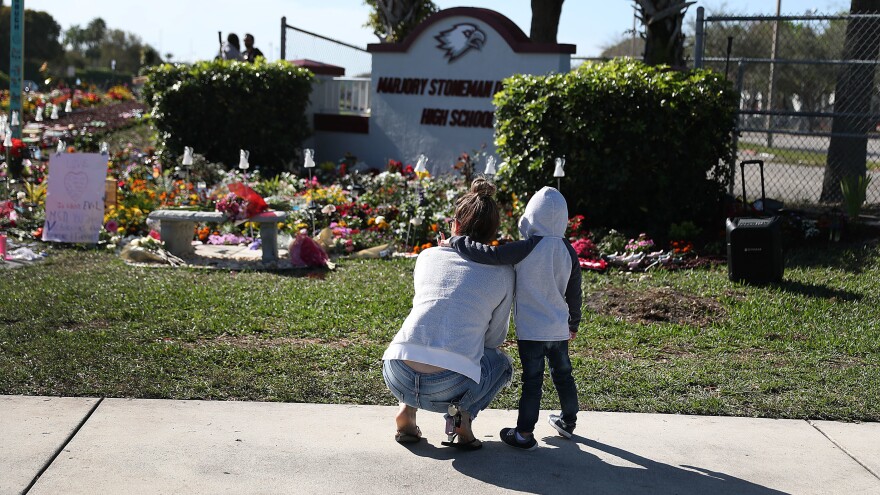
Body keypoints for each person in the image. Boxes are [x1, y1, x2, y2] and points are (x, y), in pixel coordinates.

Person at [382, 178, 514, 451]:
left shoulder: (427, 256)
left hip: (397, 370)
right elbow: (494, 339)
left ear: (455, 224)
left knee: (425, 337)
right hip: (450, 384)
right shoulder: (503, 273)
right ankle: (461, 418)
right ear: (493, 232)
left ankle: (406, 410)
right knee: (502, 364)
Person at [447, 185, 582, 451]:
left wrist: (458, 241)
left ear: (530, 217)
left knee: (533, 382)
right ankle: (568, 422)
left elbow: (491, 255)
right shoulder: (569, 250)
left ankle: (523, 433)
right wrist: (573, 323)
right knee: (564, 376)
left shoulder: (528, 247)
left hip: (531, 332)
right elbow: (574, 292)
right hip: (558, 329)